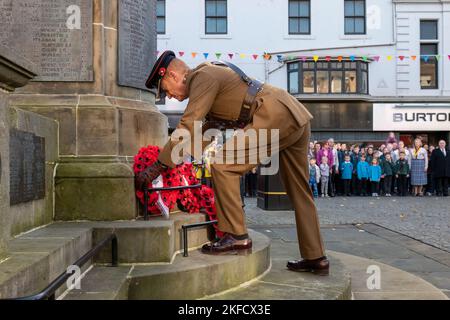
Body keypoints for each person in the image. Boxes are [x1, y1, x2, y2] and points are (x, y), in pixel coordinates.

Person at [137, 50, 328, 274]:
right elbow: (205, 132)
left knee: (222, 165)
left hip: (273, 113)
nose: (168, 96)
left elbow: (189, 124)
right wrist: (178, 163)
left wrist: (157, 167)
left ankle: (236, 236)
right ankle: (316, 257)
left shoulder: (202, 77)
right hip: (292, 113)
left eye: (165, 90)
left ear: (172, 75)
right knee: (299, 190)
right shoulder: (210, 77)